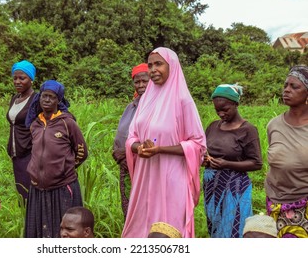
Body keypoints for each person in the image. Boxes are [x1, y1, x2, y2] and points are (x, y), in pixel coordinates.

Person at [122, 47, 206, 238]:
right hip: (145, 177)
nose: (153, 69)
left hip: (171, 178)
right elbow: (132, 137)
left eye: (159, 64)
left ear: (172, 66)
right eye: (150, 65)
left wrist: (161, 149)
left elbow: (198, 144)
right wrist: (139, 147)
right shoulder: (145, 100)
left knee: (169, 230)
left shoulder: (183, 100)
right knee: (140, 228)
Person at [24, 80, 88, 238]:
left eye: (51, 97)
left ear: (58, 100)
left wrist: (64, 168)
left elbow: (81, 151)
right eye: (44, 96)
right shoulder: (35, 124)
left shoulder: (67, 123)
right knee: (40, 230)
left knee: (63, 229)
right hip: (38, 187)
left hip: (62, 186)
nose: (47, 100)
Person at [203, 84, 262, 238]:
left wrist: (227, 164)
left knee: (233, 228)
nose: (221, 113)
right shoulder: (212, 127)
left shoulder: (247, 130)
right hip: (212, 187)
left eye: (225, 109)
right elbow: (204, 151)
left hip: (235, 189)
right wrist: (205, 160)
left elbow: (256, 163)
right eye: (217, 110)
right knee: (215, 227)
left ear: (236, 104)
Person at [265, 65, 308, 238]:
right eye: (285, 85)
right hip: (275, 205)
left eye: (294, 86)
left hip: (304, 207)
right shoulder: (274, 125)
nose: (287, 90)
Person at [112, 63, 149, 218]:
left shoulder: (155, 106)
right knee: (129, 210)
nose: (140, 85)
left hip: (145, 166)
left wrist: (128, 150)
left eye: (144, 81)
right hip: (126, 164)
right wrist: (118, 152)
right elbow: (122, 132)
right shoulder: (131, 106)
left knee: (145, 210)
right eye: (137, 82)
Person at [7, 60, 37, 202]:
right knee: (22, 196)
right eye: (15, 78)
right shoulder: (15, 98)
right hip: (16, 154)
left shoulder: (36, 100)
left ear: (31, 79)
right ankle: (25, 223)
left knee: (31, 194)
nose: (17, 81)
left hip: (31, 153)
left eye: (22, 78)